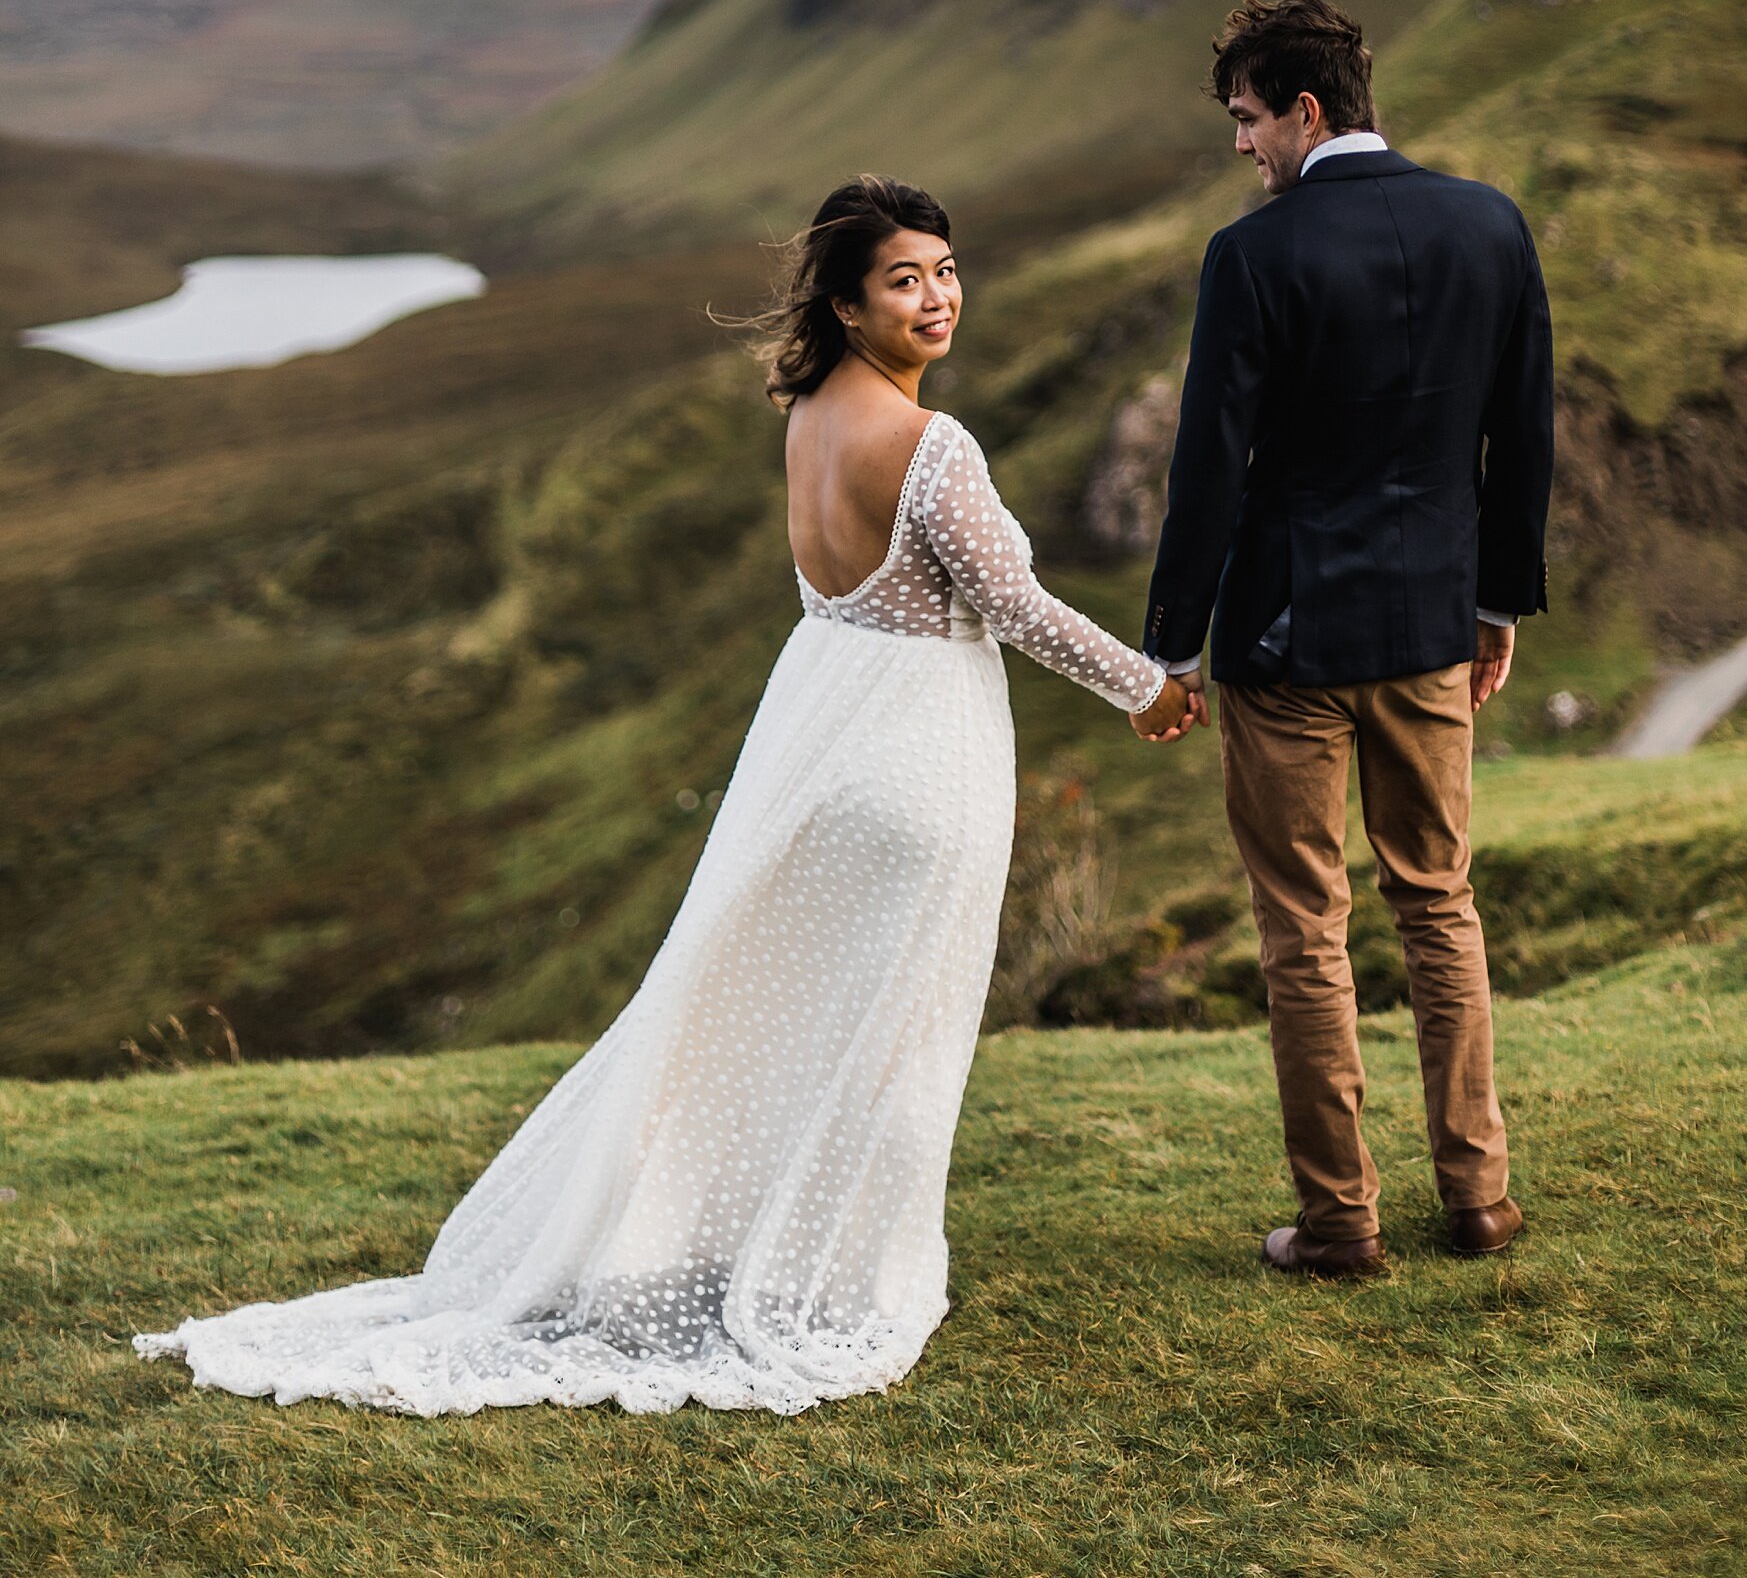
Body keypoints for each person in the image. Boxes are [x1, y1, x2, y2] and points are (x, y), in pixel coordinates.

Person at [137, 176, 1197, 1416]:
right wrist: (1145, 686)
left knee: (785, 1017)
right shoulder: (927, 445)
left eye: (947, 270)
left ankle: (725, 1240)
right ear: (850, 305)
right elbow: (1011, 607)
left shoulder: (807, 412)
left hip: (823, 733)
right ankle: (834, 1273)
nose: (938, 296)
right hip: (916, 752)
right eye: (905, 279)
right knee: (889, 1032)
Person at [1144, 0, 1553, 1277]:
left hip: (1285, 643)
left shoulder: (1253, 257)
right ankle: (1479, 1198)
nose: (1241, 147)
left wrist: (1173, 644)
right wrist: (1496, 606)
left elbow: (1206, 471)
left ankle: (1340, 1224)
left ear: (1306, 110)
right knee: (1440, 906)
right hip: (1432, 629)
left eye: (1248, 119)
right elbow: (1524, 434)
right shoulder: (1491, 224)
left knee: (1305, 933)